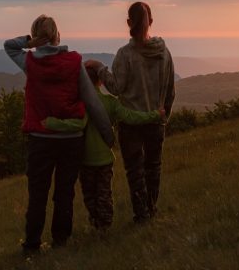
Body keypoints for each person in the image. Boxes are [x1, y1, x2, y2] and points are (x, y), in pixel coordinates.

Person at [4, 15, 114, 253]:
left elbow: (8, 46)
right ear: (57, 35)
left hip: (40, 140)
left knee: (38, 194)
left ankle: (32, 244)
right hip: (70, 142)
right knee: (64, 193)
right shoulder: (74, 62)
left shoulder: (30, 62)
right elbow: (92, 101)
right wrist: (108, 134)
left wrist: (30, 42)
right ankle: (61, 241)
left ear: (36, 37)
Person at [43, 60, 165, 231]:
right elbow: (131, 117)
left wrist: (49, 123)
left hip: (84, 160)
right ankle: (104, 228)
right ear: (101, 81)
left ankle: (97, 225)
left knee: (89, 197)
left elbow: (73, 124)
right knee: (104, 195)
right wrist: (154, 115)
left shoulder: (78, 104)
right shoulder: (111, 102)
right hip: (104, 159)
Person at [91, 2, 175, 223]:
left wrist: (100, 68)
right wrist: (164, 116)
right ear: (152, 22)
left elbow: (116, 87)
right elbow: (170, 91)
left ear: (129, 22)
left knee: (135, 171)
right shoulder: (164, 53)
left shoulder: (125, 55)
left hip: (131, 124)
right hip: (156, 120)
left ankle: (142, 214)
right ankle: (151, 208)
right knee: (153, 168)